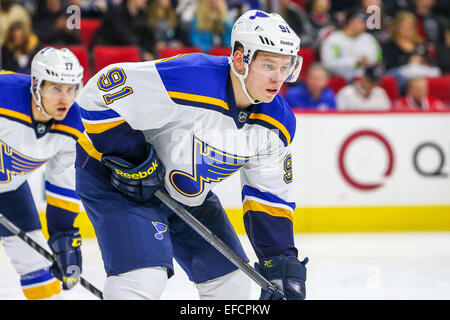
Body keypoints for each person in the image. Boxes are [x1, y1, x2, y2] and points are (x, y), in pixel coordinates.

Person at [75, 9, 308, 300]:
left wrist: (280, 263)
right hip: (116, 177)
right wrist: (133, 156)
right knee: (144, 278)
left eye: (285, 67)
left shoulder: (278, 124)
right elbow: (96, 94)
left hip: (185, 194)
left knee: (232, 284)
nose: (278, 78)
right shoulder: (190, 77)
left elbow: (268, 198)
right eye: (269, 65)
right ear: (239, 58)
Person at [0, 47, 85, 299]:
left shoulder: (74, 125)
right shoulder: (4, 91)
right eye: (57, 88)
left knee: (41, 272)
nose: (65, 99)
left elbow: (62, 184)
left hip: (10, 191)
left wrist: (64, 237)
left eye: (71, 89)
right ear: (36, 85)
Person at [320, 8, 382, 81]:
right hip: (344, 79)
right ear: (350, 22)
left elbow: (379, 59)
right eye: (360, 22)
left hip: (367, 78)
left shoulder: (369, 38)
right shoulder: (333, 40)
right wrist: (355, 62)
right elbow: (328, 64)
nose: (364, 26)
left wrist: (370, 62)